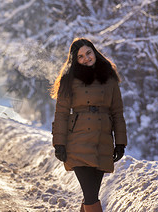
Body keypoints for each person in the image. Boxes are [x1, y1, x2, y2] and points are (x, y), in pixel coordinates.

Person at [50, 38, 127, 212]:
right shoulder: (69, 79)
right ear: (75, 60)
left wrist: (120, 142)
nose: (86, 58)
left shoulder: (109, 77)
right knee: (91, 195)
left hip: (102, 141)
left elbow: (117, 112)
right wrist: (59, 144)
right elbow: (61, 113)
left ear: (94, 51)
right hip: (77, 141)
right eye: (80, 56)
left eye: (88, 53)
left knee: (90, 195)